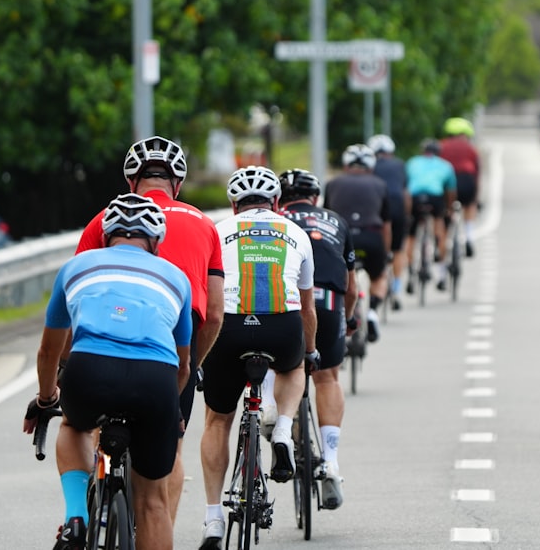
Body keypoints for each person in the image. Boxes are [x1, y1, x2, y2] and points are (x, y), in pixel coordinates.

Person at [23, 194, 192, 550]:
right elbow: (183, 363)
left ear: (105, 237)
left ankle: (75, 518)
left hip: (90, 370)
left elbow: (49, 350)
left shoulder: (77, 266)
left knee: (73, 424)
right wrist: (168, 410)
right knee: (153, 503)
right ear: (156, 242)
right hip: (155, 379)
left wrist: (46, 398)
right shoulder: (177, 278)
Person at [74, 135, 224, 525]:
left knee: (90, 426)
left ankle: (91, 505)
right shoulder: (205, 224)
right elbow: (216, 313)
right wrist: (195, 364)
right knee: (168, 450)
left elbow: (79, 294)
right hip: (173, 347)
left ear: (131, 183)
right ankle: (159, 529)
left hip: (104, 341)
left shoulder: (104, 220)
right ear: (177, 184)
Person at [199, 165, 318, 549]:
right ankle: (282, 429)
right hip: (281, 326)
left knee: (218, 419)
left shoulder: (217, 230)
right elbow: (307, 308)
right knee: (294, 366)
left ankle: (214, 518)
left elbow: (207, 298)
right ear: (277, 203)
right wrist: (310, 349)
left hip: (229, 328)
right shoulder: (296, 232)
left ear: (234, 204)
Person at [277, 168, 356, 509]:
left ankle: (271, 414)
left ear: (280, 198)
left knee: (280, 361)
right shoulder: (335, 220)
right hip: (330, 302)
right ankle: (332, 461)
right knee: (328, 378)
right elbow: (351, 285)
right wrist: (349, 319)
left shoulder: (275, 220)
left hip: (289, 302)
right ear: (316, 198)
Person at [323, 144, 391, 341]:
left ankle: (341, 315)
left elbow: (327, 217)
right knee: (379, 276)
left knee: (338, 279)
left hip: (341, 239)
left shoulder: (333, 183)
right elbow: (386, 224)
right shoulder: (380, 184)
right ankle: (372, 313)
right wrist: (385, 253)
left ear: (346, 164)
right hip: (371, 237)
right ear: (371, 166)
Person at [405, 138, 457, 292]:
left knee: (411, 236)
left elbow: (406, 185)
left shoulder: (412, 162)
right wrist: (449, 209)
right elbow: (451, 191)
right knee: (439, 226)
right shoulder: (445, 165)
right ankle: (441, 274)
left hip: (415, 198)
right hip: (435, 198)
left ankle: (410, 273)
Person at [367, 133, 411, 310]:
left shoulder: (371, 167)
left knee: (380, 247)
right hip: (398, 207)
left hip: (377, 209)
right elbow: (406, 193)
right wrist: (407, 215)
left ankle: (379, 282)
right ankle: (397, 289)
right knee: (398, 249)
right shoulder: (400, 165)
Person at [439, 117, 480, 257]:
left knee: (444, 213)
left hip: (448, 184)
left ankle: (440, 244)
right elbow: (477, 172)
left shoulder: (442, 145)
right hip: (466, 180)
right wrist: (476, 196)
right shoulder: (471, 148)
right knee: (469, 205)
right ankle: (469, 237)